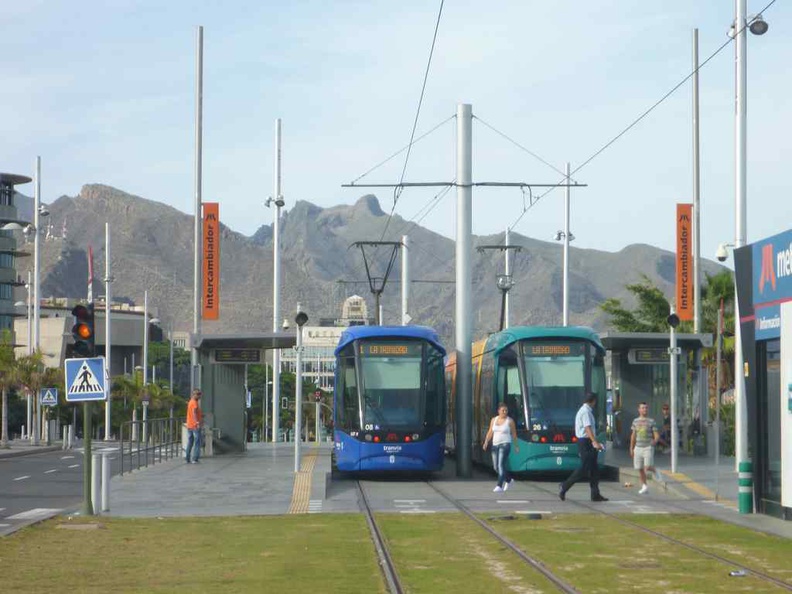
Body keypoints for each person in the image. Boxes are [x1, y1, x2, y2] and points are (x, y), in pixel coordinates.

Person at [559, 392, 607, 502]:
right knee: (584, 468)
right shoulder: (585, 412)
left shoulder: (585, 410)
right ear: (593, 401)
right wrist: (594, 442)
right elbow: (587, 428)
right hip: (586, 441)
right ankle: (565, 486)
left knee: (594, 469)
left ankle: (595, 494)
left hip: (587, 441)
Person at [482, 402, 520, 493]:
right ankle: (509, 480)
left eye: (506, 410)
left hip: (505, 444)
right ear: (498, 411)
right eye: (503, 410)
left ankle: (499, 485)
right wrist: (486, 442)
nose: (505, 412)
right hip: (495, 445)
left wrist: (516, 446)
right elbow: (490, 432)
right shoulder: (493, 420)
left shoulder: (510, 421)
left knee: (500, 465)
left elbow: (514, 434)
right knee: (496, 467)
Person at [630, 402, 661, 494]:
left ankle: (655, 470)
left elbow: (656, 435)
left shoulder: (651, 421)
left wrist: (654, 442)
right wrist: (631, 448)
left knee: (647, 467)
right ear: (639, 409)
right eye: (643, 408)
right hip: (638, 447)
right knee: (639, 468)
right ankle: (644, 486)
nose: (644, 410)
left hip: (648, 447)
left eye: (646, 408)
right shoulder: (635, 421)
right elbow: (633, 435)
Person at [185, 389, 203, 464]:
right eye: (198, 394)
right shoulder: (194, 403)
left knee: (190, 441)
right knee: (197, 442)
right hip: (195, 426)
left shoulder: (190, 402)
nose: (199, 396)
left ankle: (187, 457)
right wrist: (197, 422)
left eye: (200, 394)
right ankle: (195, 458)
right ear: (194, 395)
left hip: (189, 425)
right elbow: (194, 413)